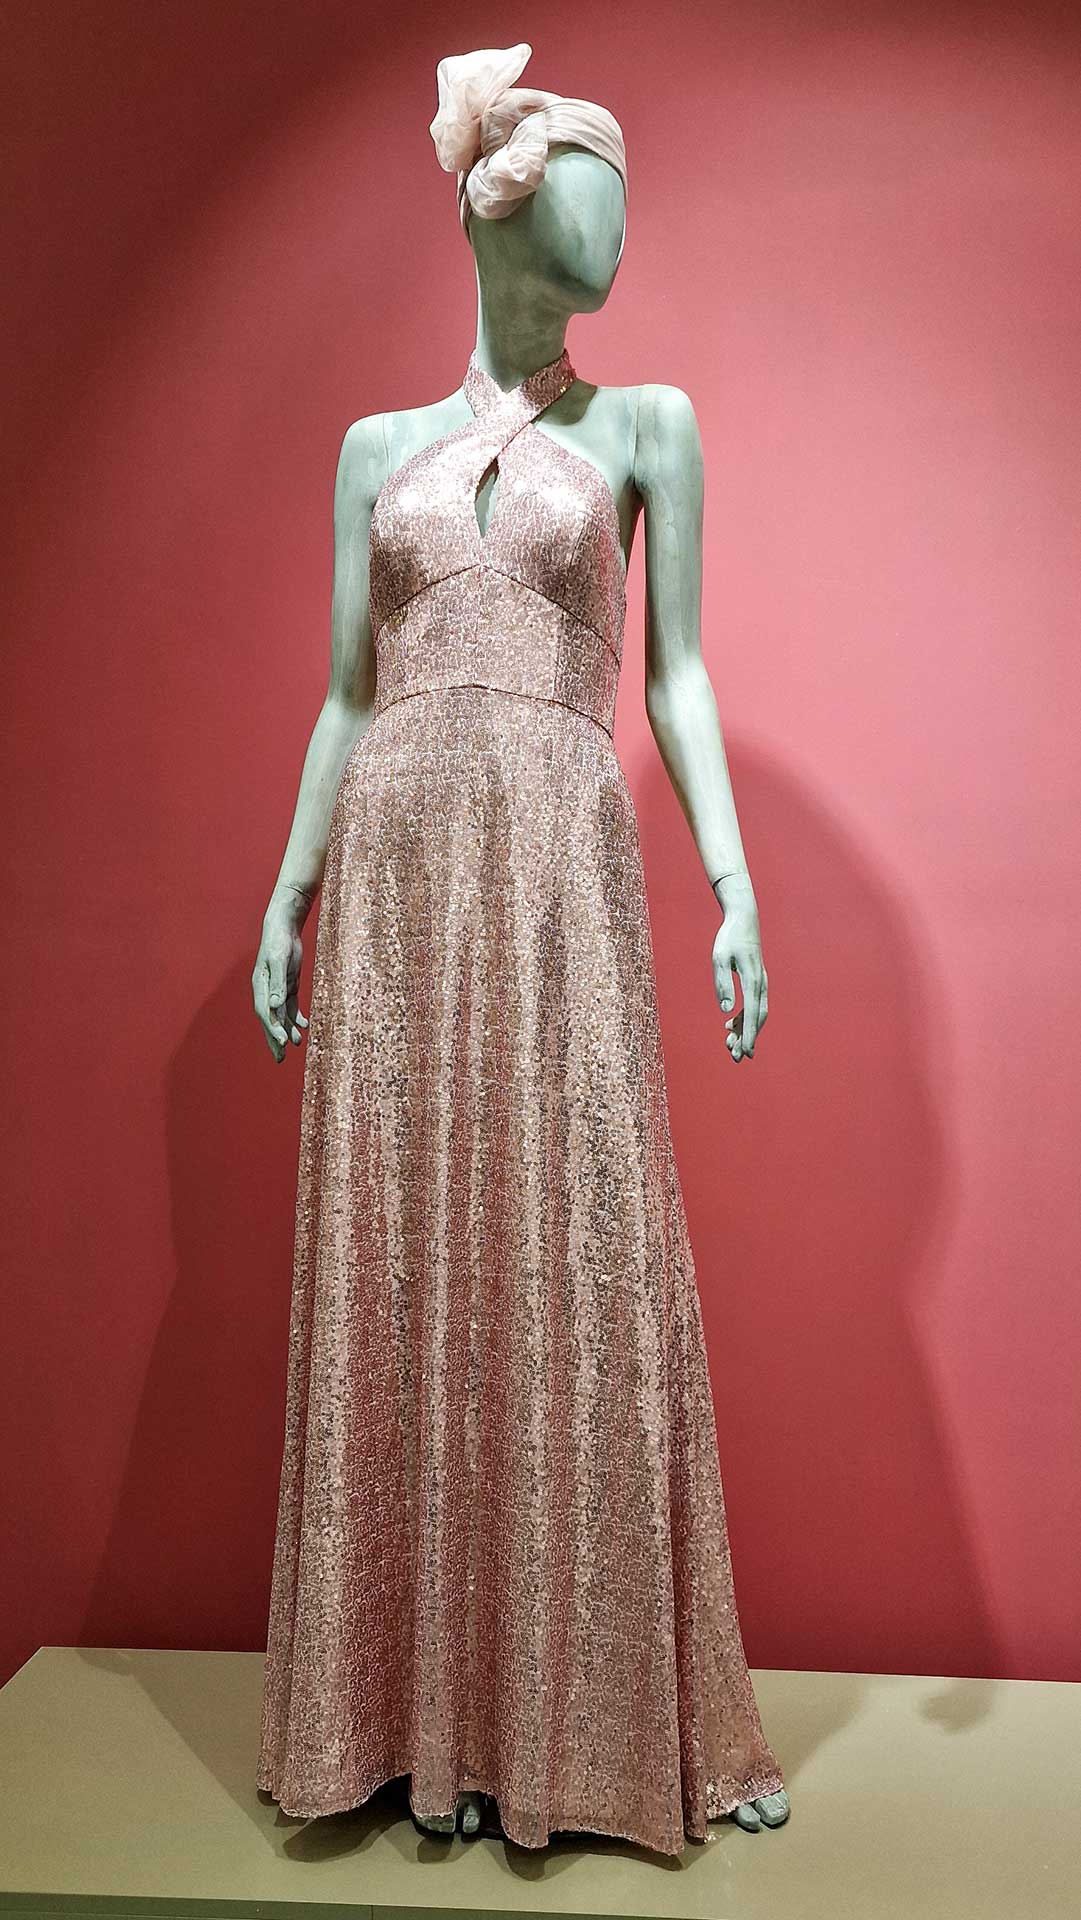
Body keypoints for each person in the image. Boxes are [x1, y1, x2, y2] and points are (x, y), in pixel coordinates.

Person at [252, 42, 790, 1854]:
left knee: (575, 1241)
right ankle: (407, 1724)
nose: (613, 237)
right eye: (586, 198)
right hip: (399, 877)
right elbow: (346, 694)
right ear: (496, 210)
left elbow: (679, 677)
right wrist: (290, 888)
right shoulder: (373, 453)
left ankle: (590, 1725)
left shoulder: (646, 428)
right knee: (404, 1250)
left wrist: (731, 878)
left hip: (558, 862)